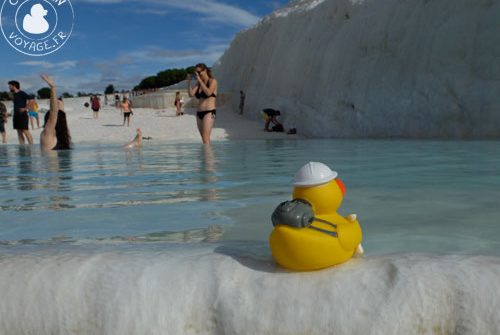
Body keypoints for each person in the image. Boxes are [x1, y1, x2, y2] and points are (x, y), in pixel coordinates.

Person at [187, 63, 218, 144]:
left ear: (205, 70)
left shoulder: (212, 81)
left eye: (199, 72)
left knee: (206, 138)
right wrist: (189, 82)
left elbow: (208, 92)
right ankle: (207, 156)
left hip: (209, 112)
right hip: (199, 113)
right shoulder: (198, 83)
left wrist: (200, 81)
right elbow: (191, 94)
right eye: (196, 72)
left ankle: (209, 156)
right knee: (204, 140)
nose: (198, 74)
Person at [39, 74, 72, 151]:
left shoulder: (48, 135)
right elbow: (57, 113)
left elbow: (55, 112)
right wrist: (53, 89)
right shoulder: (64, 138)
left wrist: (53, 88)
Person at [8, 80, 34, 144]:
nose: (9, 87)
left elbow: (31, 100)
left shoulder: (22, 93)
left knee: (25, 131)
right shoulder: (13, 94)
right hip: (16, 115)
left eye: (10, 86)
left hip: (22, 115)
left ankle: (31, 146)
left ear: (14, 86)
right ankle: (22, 147)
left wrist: (25, 108)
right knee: (19, 132)